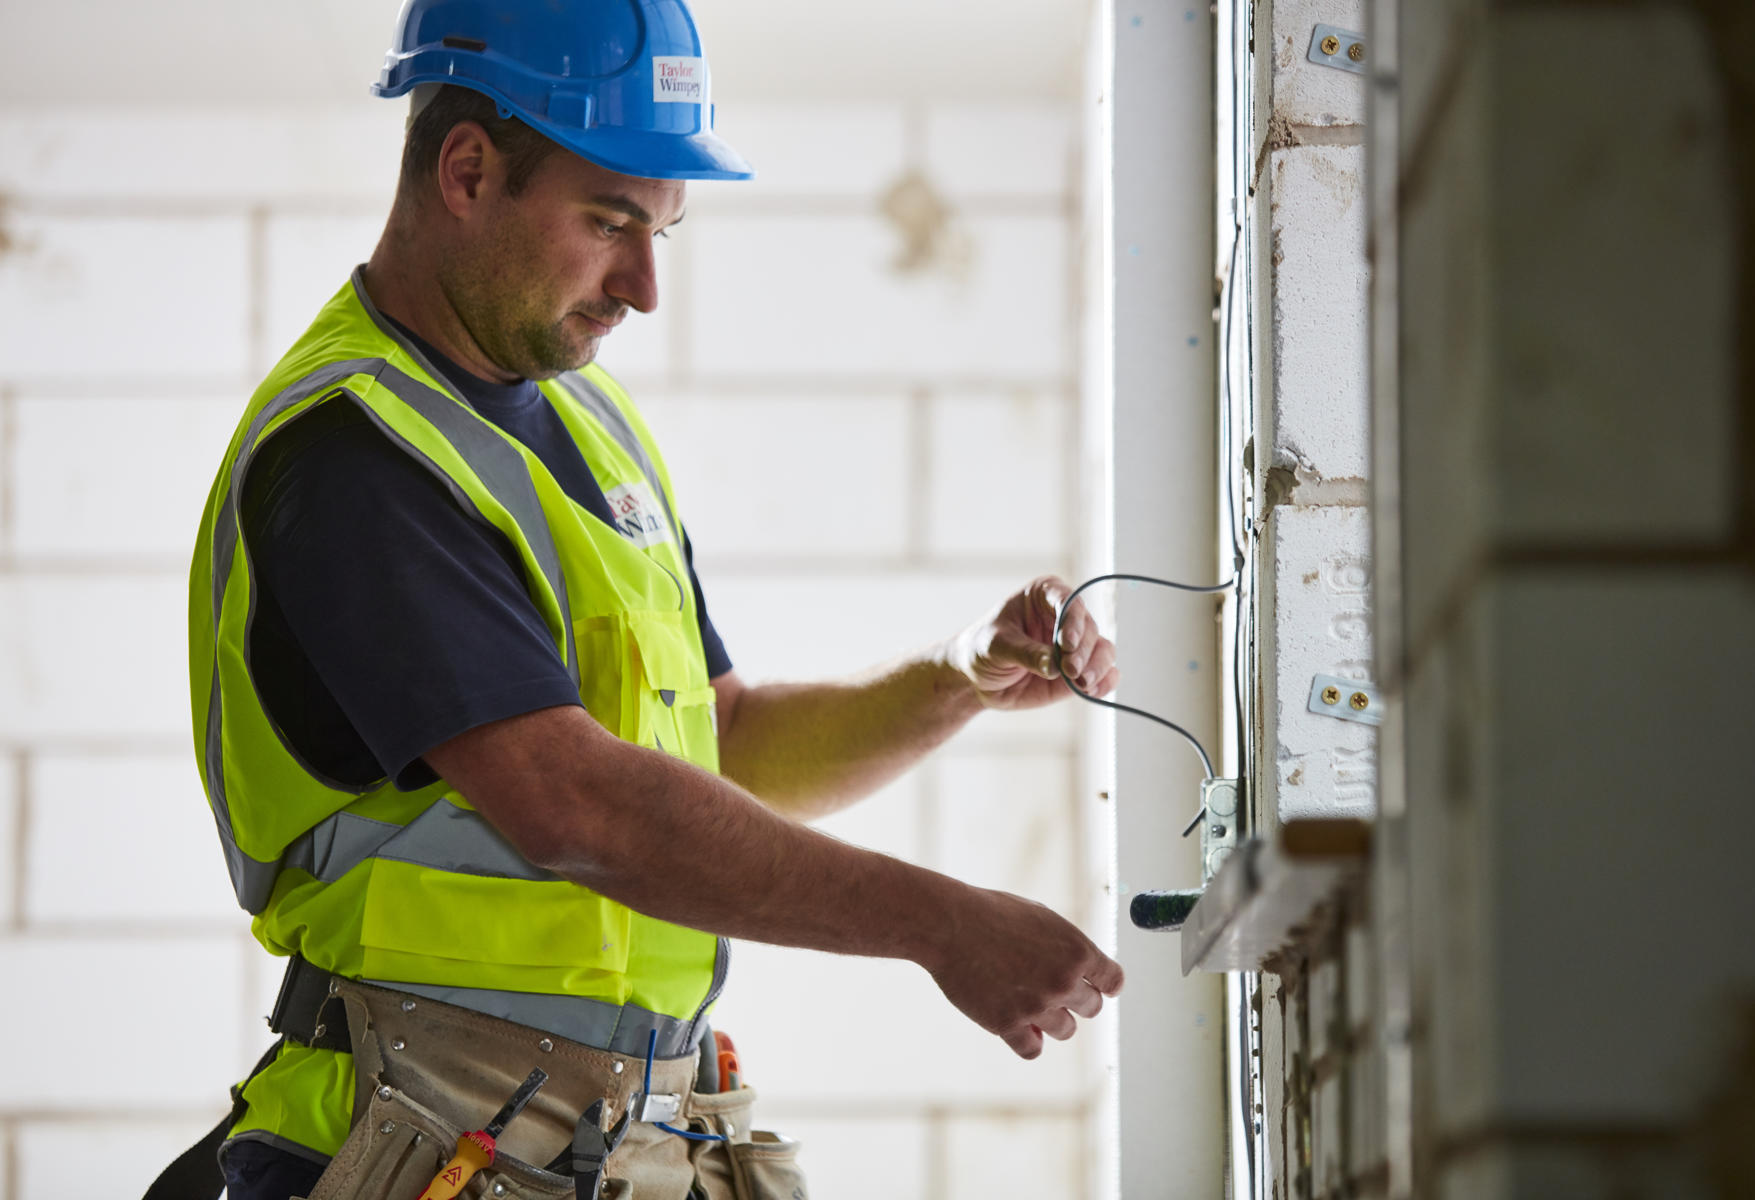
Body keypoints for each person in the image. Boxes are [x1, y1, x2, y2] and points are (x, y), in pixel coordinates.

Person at [177, 3, 1122, 1198]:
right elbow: (575, 806)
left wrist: (959, 676)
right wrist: (939, 923)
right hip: (414, 1141)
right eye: (612, 222)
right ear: (466, 170)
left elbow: (722, 743)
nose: (644, 286)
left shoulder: (589, 425)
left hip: (603, 1145)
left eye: (666, 230)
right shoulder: (356, 452)